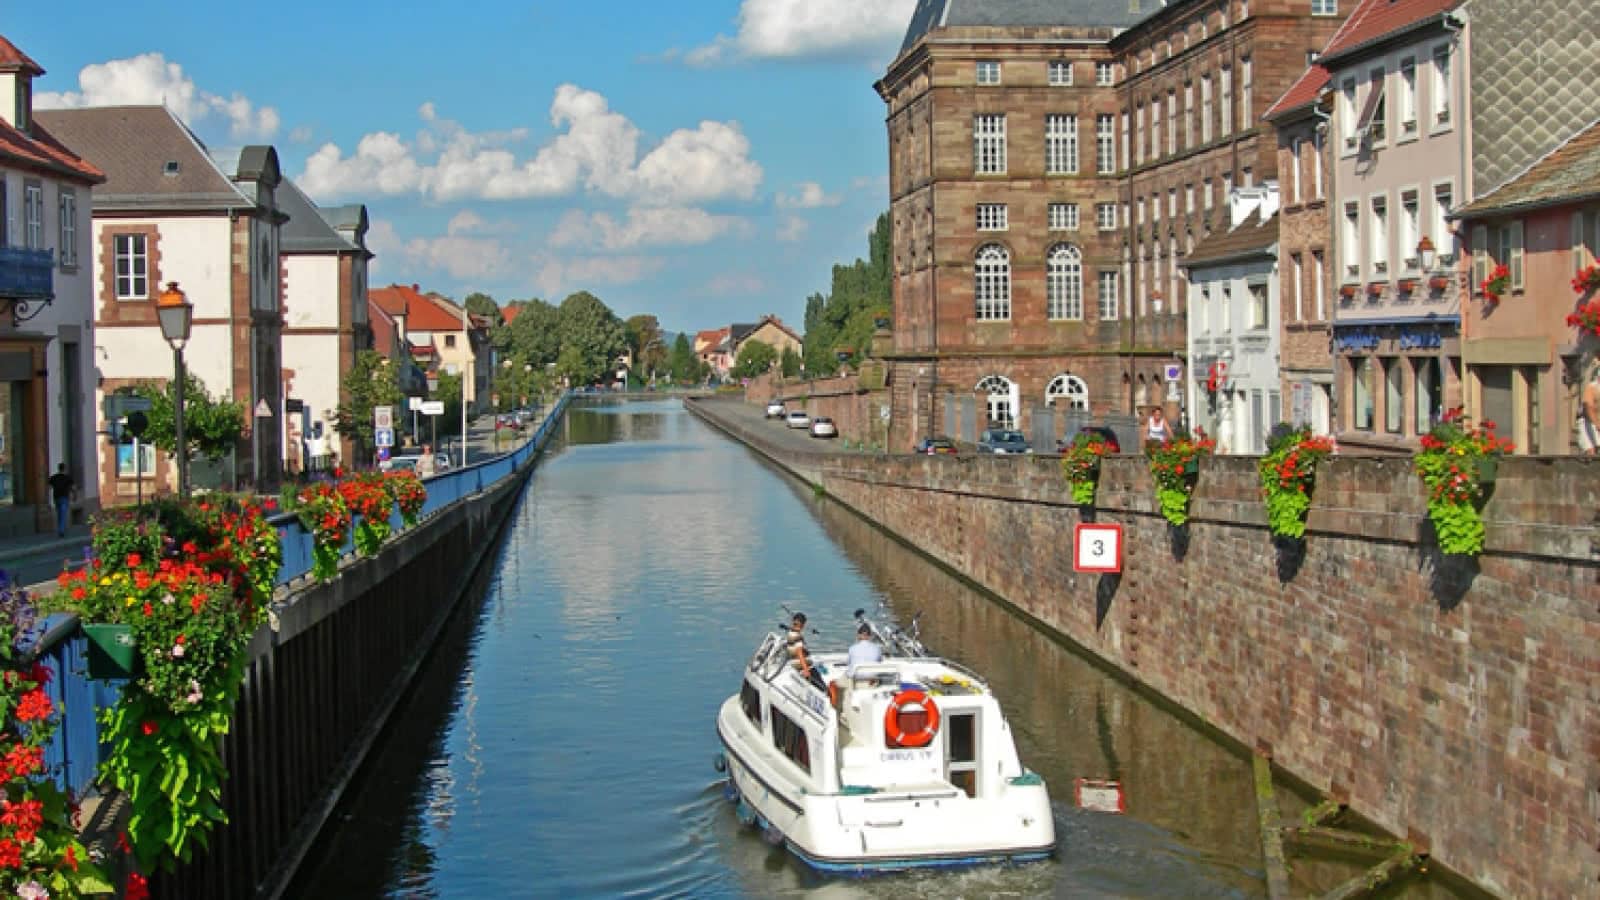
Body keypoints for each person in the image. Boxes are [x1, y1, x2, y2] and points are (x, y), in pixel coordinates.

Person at [47, 464, 73, 537]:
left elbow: (49, 487)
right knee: (63, 514)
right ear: (64, 469)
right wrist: (74, 495)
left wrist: (49, 498)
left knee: (59, 514)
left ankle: (60, 528)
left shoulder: (54, 477)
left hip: (56, 498)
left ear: (59, 469)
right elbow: (73, 487)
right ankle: (61, 530)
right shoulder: (67, 477)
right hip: (64, 497)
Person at [1580, 363, 1600, 455]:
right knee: (1591, 451)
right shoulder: (1592, 387)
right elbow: (1588, 407)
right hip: (1587, 421)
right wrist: (1597, 424)